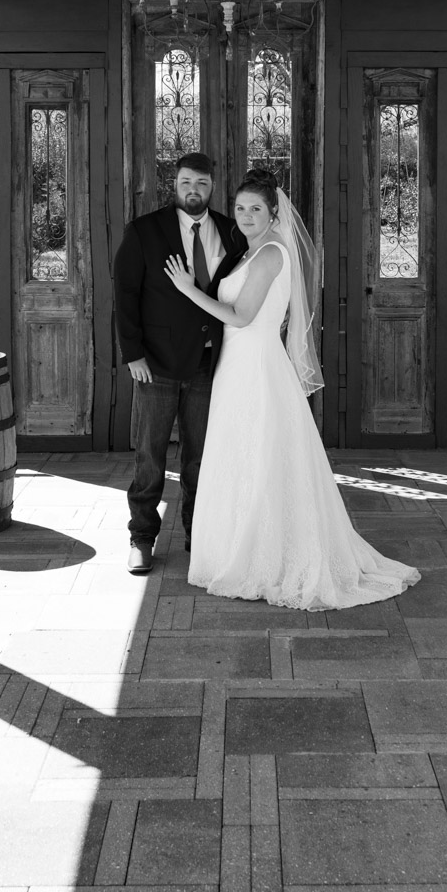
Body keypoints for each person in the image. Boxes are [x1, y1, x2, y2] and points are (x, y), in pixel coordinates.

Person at [164, 167, 420, 610]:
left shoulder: (271, 255)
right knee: (242, 456)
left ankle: (265, 558)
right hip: (236, 365)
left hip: (256, 366)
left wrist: (188, 290)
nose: (245, 216)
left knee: (260, 456)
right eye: (240, 208)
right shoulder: (249, 252)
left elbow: (242, 316)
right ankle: (234, 549)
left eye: (255, 209)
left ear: (273, 211)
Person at [113, 153, 245, 575]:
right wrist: (133, 354)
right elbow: (125, 297)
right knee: (149, 456)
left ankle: (197, 534)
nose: (194, 190)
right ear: (176, 184)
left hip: (209, 364)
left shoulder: (231, 230)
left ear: (211, 187)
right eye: (187, 182)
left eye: (202, 184)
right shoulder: (145, 231)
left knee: (200, 457)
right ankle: (141, 537)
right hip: (156, 365)